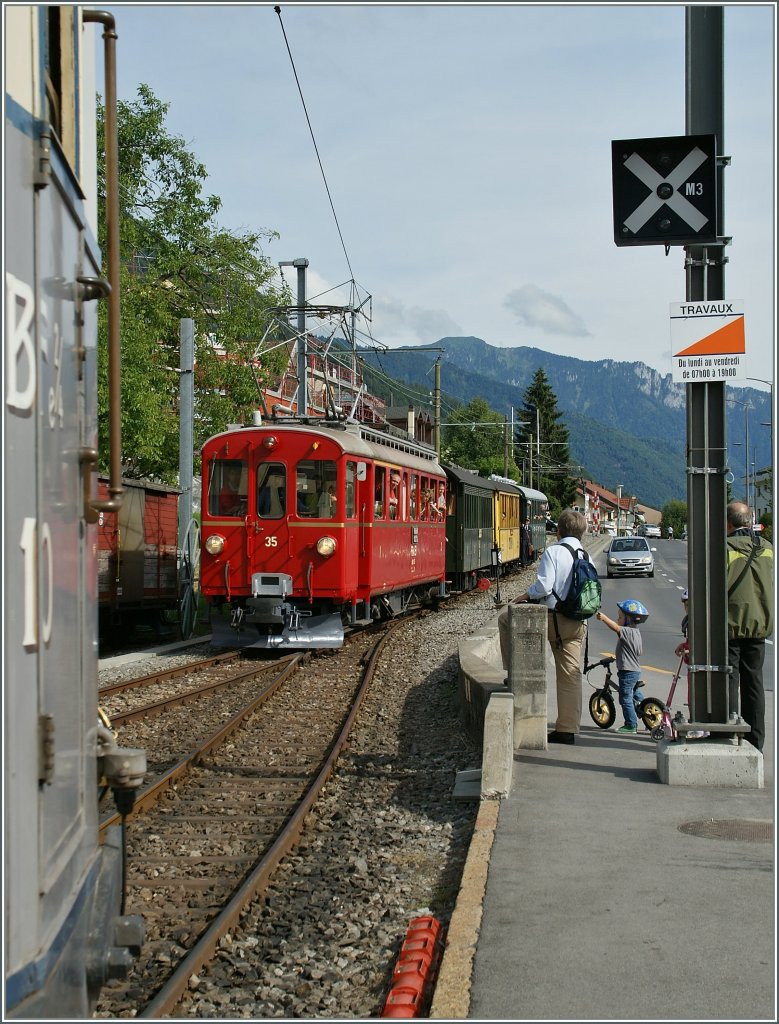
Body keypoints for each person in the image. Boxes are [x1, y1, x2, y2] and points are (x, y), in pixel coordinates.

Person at [498, 508, 589, 744]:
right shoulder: (584, 554)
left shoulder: (554, 551)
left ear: (558, 531)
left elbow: (544, 587)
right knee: (570, 674)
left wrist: (525, 596)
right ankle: (567, 729)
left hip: (553, 619)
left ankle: (513, 672)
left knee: (506, 620)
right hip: (577, 622)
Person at [726, 501, 774, 752]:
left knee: (730, 679)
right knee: (754, 682)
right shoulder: (768, 548)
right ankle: (756, 741)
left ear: (729, 523)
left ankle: (731, 733)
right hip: (759, 625)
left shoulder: (725, 548)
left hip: (731, 625)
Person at [595, 599, 648, 734]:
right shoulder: (636, 632)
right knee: (636, 696)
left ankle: (631, 725)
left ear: (628, 619)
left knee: (625, 697)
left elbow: (616, 628)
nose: (617, 619)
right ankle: (649, 718)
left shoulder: (628, 631)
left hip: (627, 671)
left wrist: (604, 618)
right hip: (634, 670)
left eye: (619, 617)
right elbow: (637, 652)